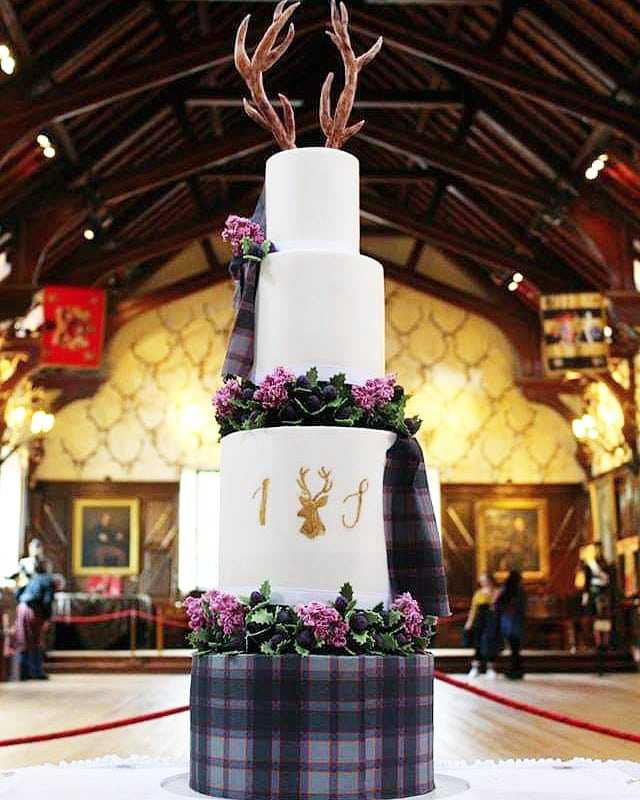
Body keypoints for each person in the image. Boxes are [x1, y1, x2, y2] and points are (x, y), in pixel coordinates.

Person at [15, 555, 55, 680]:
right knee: (36, 641)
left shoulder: (33, 578)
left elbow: (18, 594)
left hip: (22, 607)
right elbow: (47, 600)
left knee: (24, 640)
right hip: (34, 610)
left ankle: (23, 672)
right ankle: (36, 671)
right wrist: (47, 618)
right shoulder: (47, 579)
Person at [464, 573, 499, 679]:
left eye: (485, 580)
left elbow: (497, 606)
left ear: (490, 580)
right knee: (478, 643)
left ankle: (491, 668)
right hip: (479, 620)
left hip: (492, 620)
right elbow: (473, 609)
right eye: (481, 580)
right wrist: (469, 622)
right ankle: (475, 668)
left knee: (490, 643)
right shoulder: (478, 593)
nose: (483, 582)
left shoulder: (497, 592)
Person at [496, 570, 527, 680]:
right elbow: (522, 607)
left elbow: (498, 603)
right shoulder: (520, 590)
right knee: (516, 649)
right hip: (515, 621)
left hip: (507, 621)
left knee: (513, 648)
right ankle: (517, 670)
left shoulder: (505, 589)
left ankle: (515, 670)